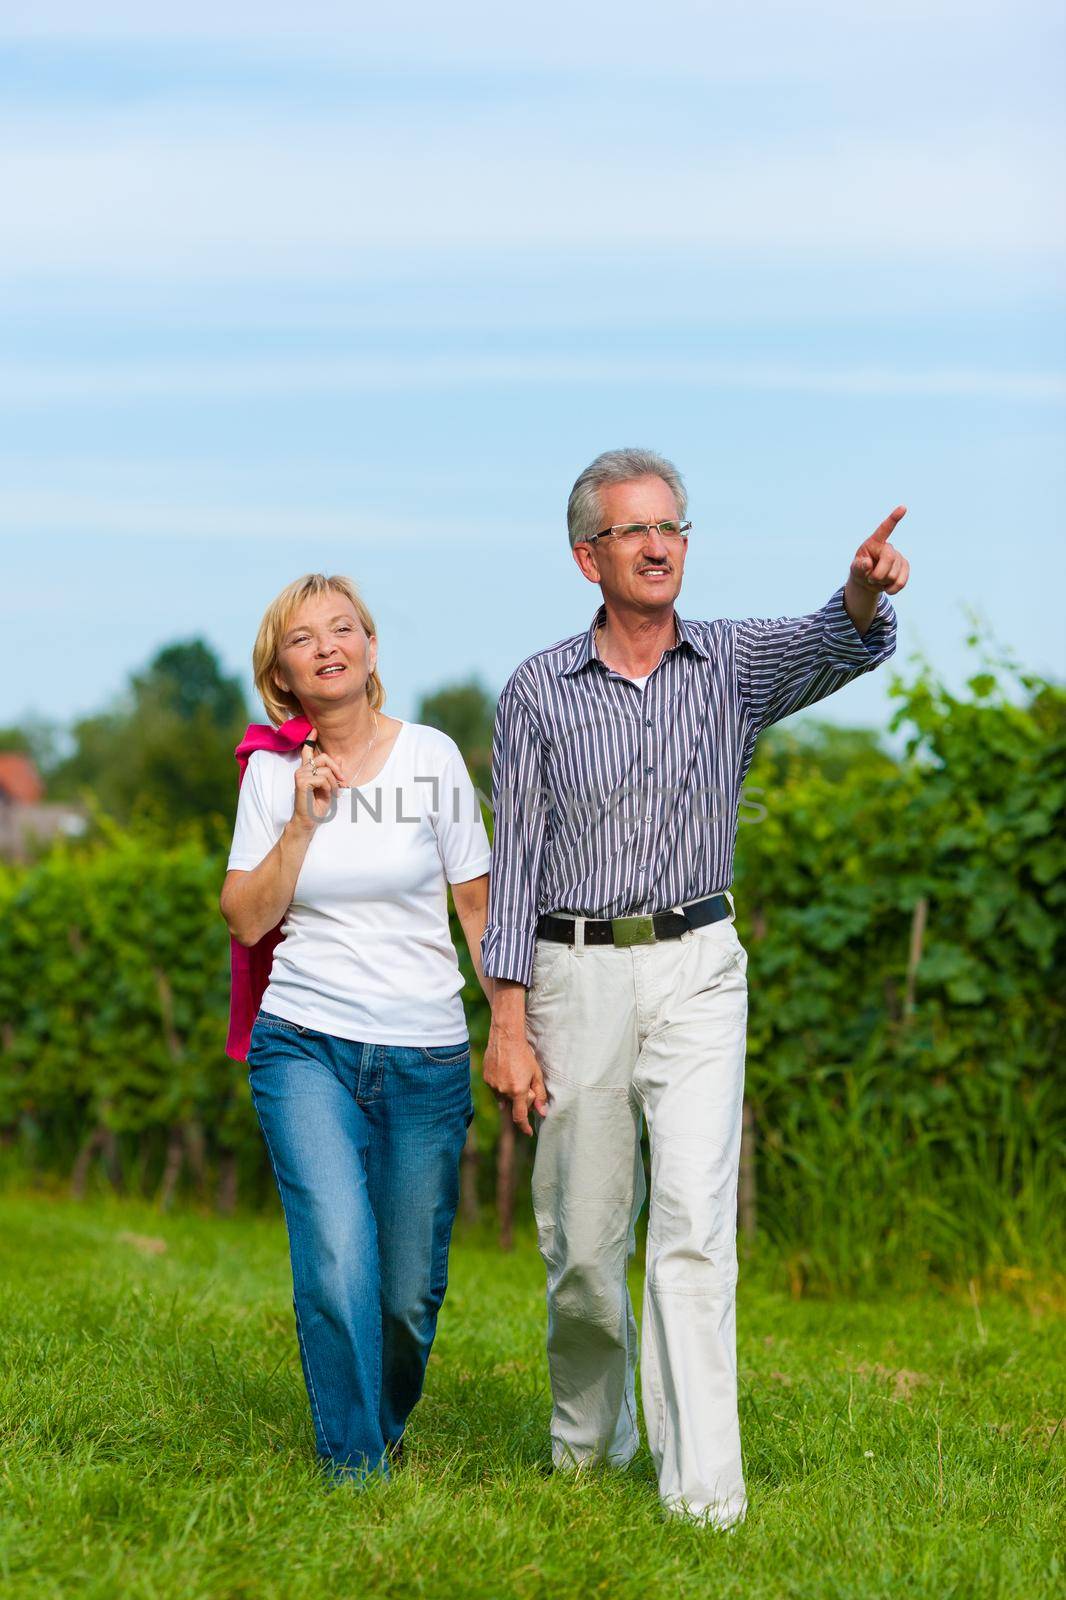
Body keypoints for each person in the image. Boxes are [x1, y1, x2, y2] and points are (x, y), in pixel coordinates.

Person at [480, 448, 910, 1527]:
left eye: (671, 526)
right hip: (574, 970)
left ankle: (702, 1495)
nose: (659, 544)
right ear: (589, 556)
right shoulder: (535, 689)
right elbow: (516, 862)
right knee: (582, 1245)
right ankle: (587, 1448)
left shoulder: (732, 662)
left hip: (699, 966)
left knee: (691, 1224)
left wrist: (861, 587)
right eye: (632, 530)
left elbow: (834, 640)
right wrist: (508, 1021)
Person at [220, 572, 492, 1482]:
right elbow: (247, 919)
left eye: (344, 629)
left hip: (425, 1051)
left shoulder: (432, 758)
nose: (328, 645)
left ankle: (379, 1420)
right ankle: (355, 1468)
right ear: (282, 675)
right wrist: (301, 821)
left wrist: (516, 1035)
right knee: (336, 1252)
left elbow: (478, 911)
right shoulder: (269, 773)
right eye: (304, 638)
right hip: (304, 1042)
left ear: (372, 649)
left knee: (407, 1294)